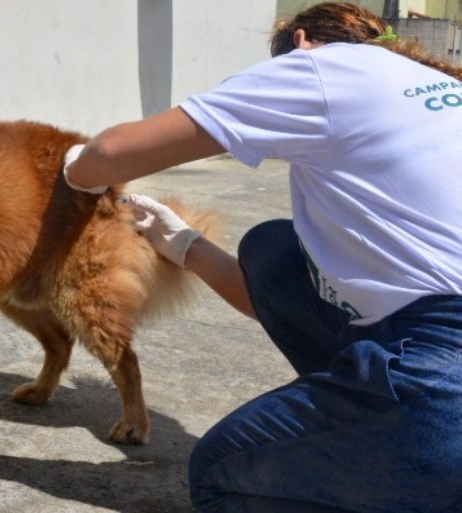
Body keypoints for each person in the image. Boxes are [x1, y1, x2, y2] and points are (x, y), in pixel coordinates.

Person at [63, 2, 462, 512]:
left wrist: (72, 169)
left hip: (443, 379)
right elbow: (277, 299)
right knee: (274, 250)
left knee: (224, 474)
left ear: (300, 42)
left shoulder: (322, 66)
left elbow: (112, 154)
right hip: (431, 345)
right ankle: (382, 442)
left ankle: (408, 469)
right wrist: (185, 245)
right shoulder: (433, 86)